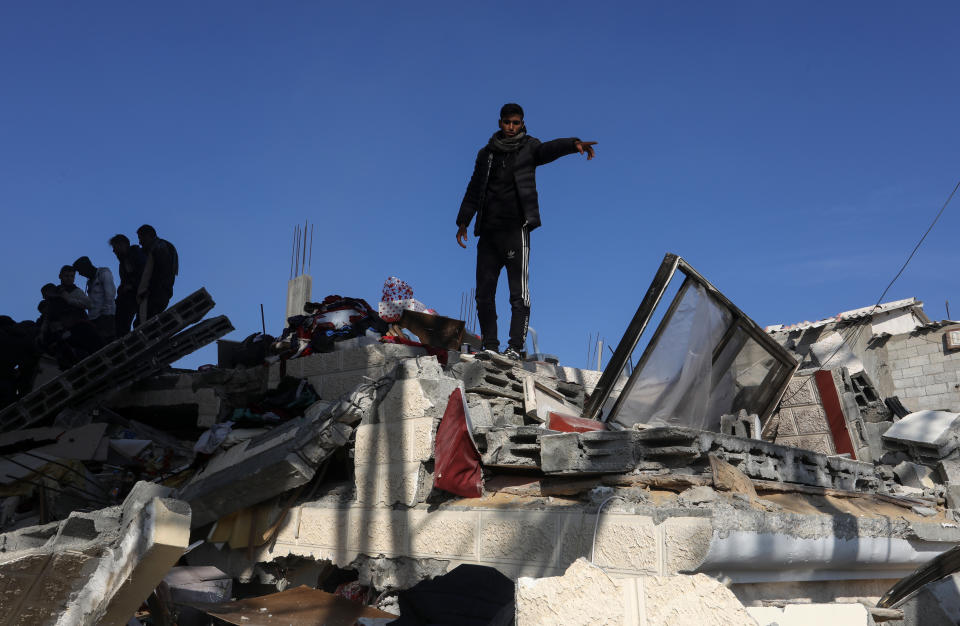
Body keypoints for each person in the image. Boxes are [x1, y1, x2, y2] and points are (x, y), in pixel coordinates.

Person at [456, 103, 596, 360]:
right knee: (483, 293)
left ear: (522, 124)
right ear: (500, 122)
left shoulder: (529, 147)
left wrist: (573, 144)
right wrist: (463, 220)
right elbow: (474, 188)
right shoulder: (486, 154)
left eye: (516, 123)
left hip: (515, 229)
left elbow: (547, 150)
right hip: (488, 232)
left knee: (518, 293)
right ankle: (489, 345)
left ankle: (515, 347)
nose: (511, 127)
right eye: (507, 122)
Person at [136, 224, 179, 320]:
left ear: (148, 235)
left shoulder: (160, 247)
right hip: (160, 292)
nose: (140, 242)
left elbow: (161, 272)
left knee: (145, 324)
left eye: (141, 238)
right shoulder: (160, 246)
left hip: (157, 294)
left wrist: (148, 290)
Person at [109, 234, 146, 335]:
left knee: (123, 322)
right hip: (129, 295)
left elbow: (144, 273)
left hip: (136, 295)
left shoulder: (135, 254)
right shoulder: (124, 261)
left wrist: (132, 286)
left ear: (122, 244)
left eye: (114, 247)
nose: (114, 251)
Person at [73, 256, 117, 342]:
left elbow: (110, 294)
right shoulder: (89, 282)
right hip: (94, 318)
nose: (80, 274)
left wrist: (106, 313)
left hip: (105, 316)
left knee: (109, 341)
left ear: (85, 267)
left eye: (80, 271)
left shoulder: (104, 273)